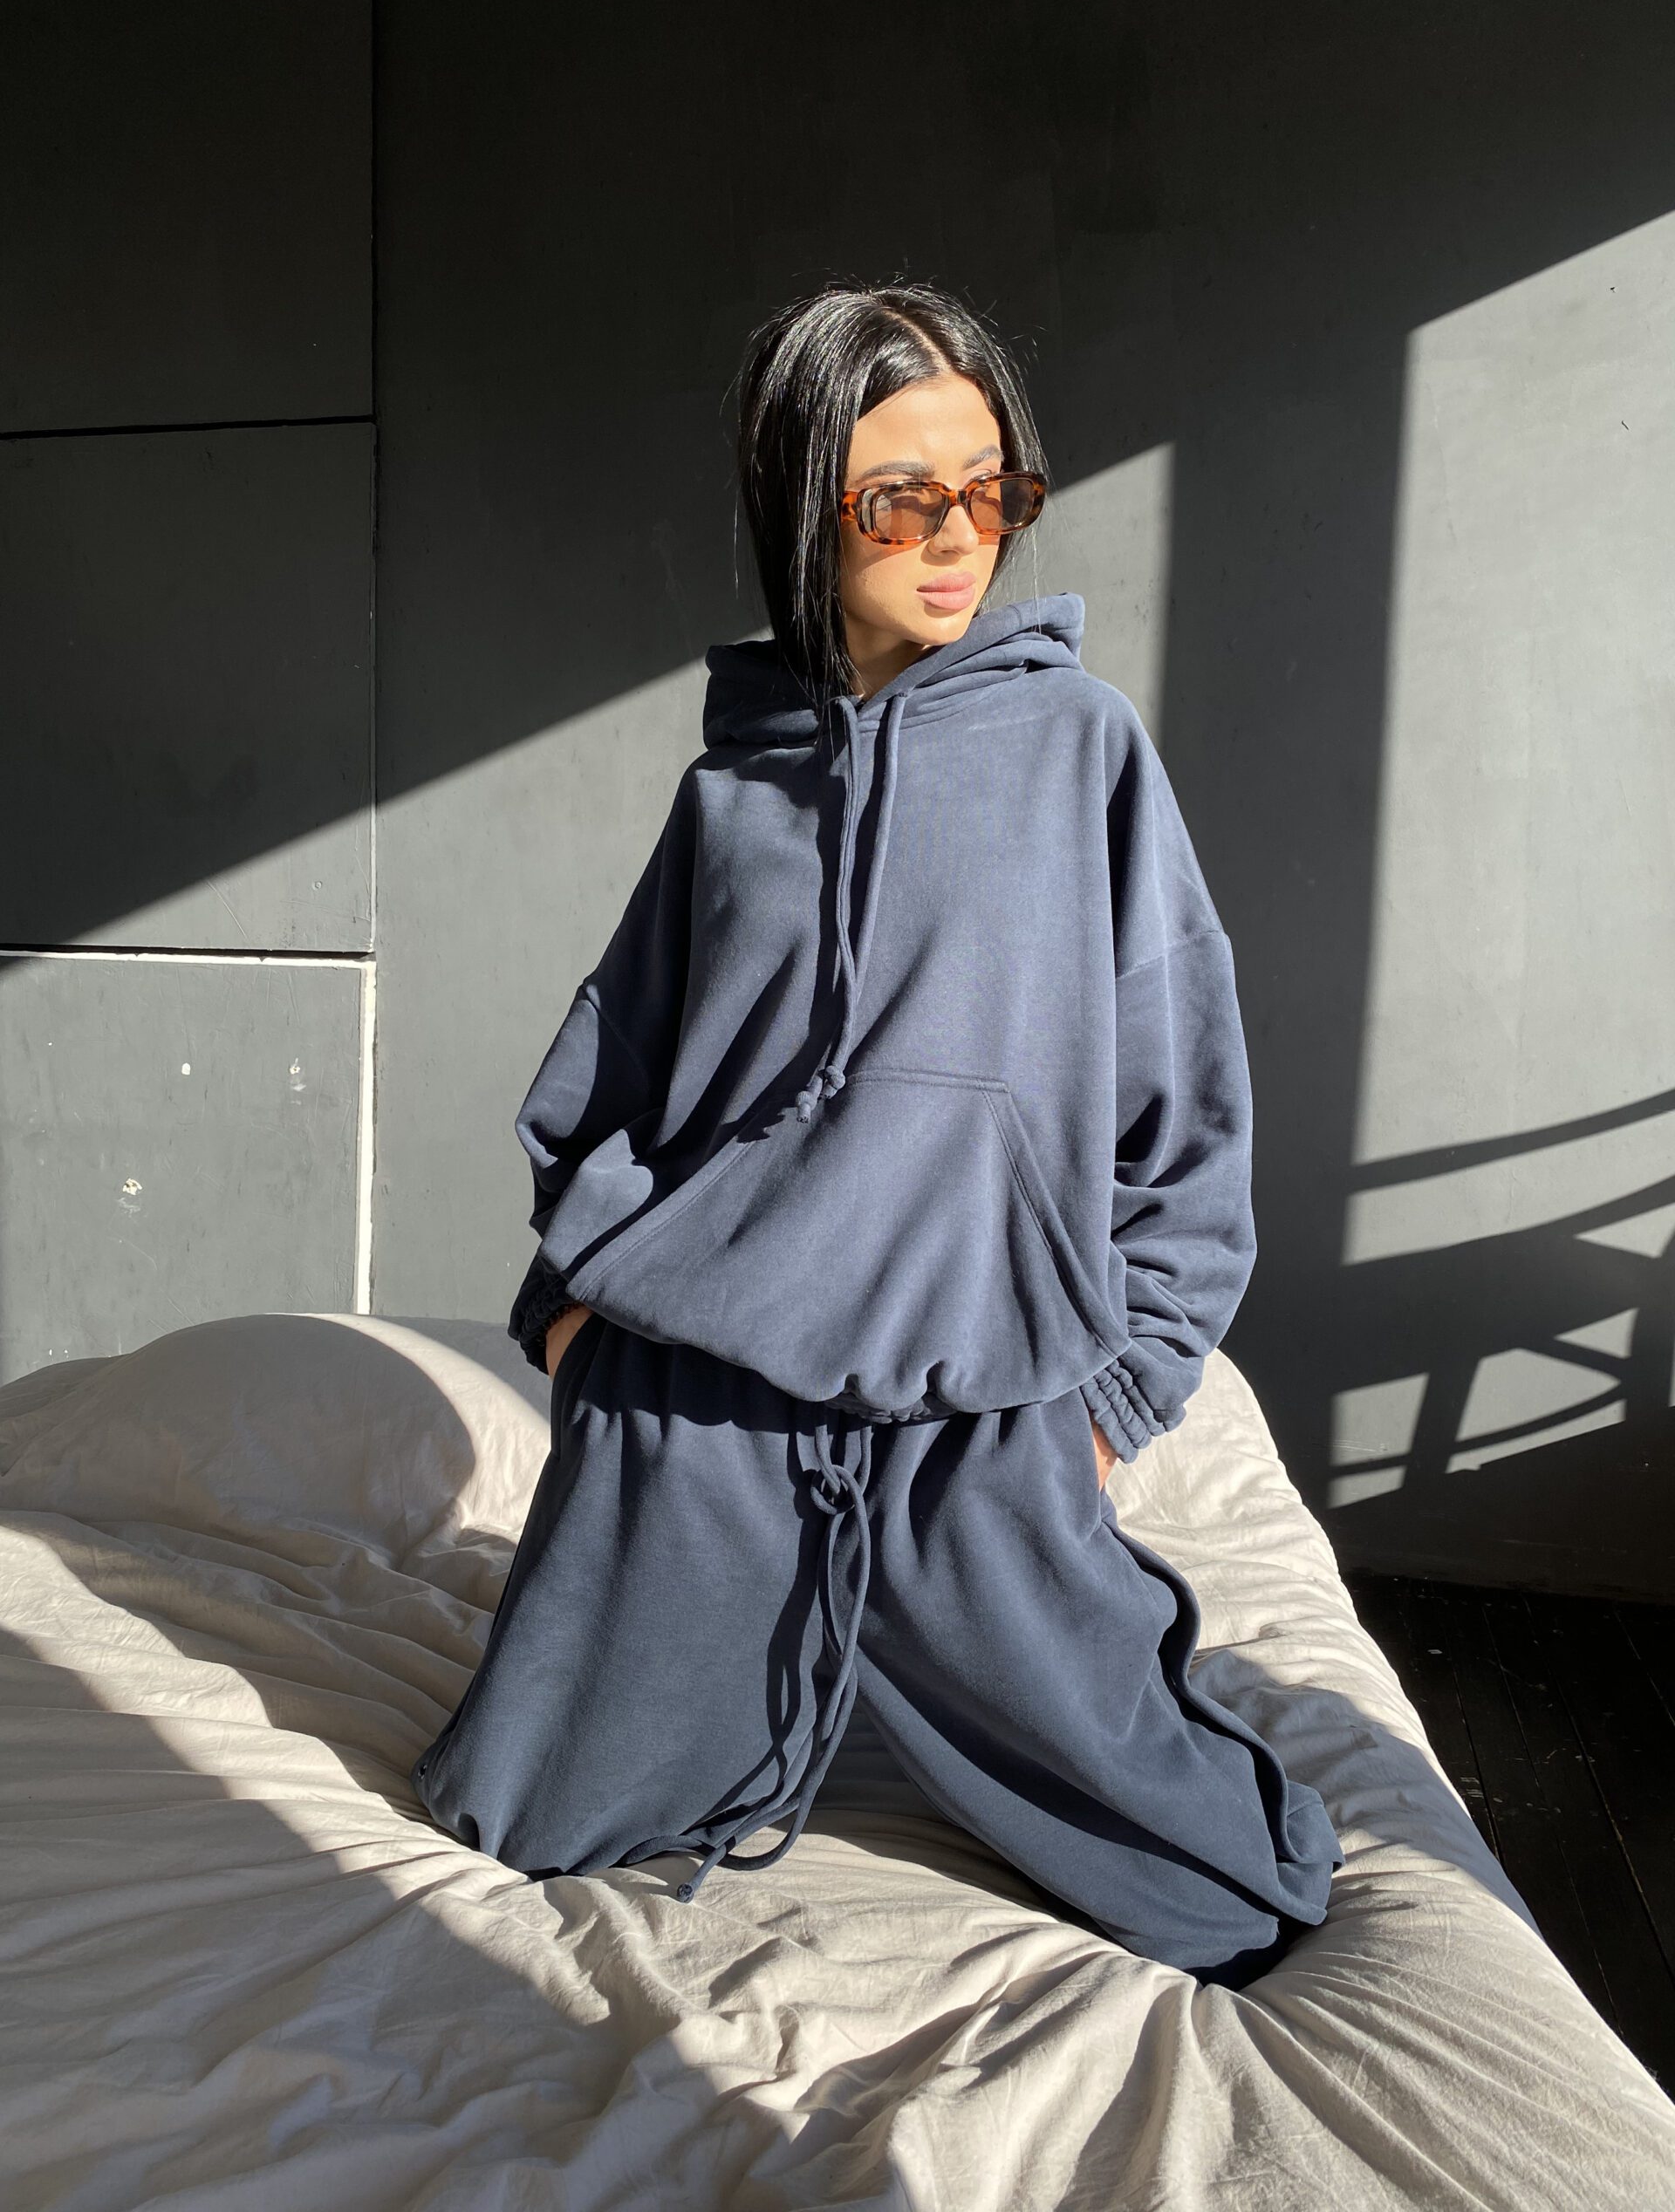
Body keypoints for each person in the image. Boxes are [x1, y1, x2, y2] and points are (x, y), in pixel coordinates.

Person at [410, 279, 1344, 1988]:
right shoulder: (733, 790)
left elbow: (1189, 1114)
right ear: (801, 505)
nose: (960, 537)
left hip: (981, 1406)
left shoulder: (1082, 752)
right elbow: (607, 1078)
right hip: (702, 1401)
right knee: (509, 1820)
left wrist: (1119, 1393)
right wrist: (575, 1322)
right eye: (901, 498)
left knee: (1237, 1892)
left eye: (993, 488)